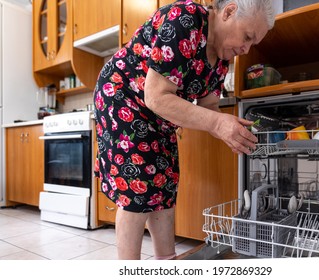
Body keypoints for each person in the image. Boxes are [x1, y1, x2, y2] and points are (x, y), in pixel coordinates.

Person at [93, 0, 275, 260]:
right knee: (138, 186)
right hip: (124, 96)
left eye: (252, 44)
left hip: (162, 113)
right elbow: (156, 96)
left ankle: (166, 261)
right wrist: (216, 124)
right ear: (229, 11)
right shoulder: (185, 19)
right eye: (247, 37)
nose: (245, 49)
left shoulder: (222, 59)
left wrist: (231, 129)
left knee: (166, 181)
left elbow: (209, 105)